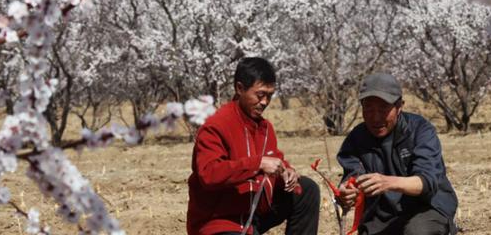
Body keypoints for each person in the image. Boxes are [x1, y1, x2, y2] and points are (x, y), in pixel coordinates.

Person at [186, 57, 319, 235]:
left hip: (253, 214)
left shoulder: (265, 128)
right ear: (240, 89)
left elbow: (274, 160)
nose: (265, 102)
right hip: (219, 221)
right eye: (260, 95)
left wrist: (287, 172)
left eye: (270, 96)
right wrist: (257, 164)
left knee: (307, 189)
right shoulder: (215, 126)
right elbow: (209, 173)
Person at [336, 73, 457, 235]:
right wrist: (347, 193)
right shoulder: (356, 139)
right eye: (368, 108)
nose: (376, 117)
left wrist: (387, 182)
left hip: (427, 209)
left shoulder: (420, 130)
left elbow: (427, 183)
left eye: (383, 109)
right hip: (381, 216)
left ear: (400, 106)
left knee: (417, 232)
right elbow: (352, 177)